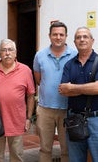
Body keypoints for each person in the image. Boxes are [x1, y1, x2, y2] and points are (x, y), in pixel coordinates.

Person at [0, 38, 35, 162]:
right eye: (4, 50)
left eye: (10, 50)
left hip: (16, 120)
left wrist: (28, 118)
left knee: (17, 155)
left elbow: (31, 95)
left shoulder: (25, 70)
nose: (7, 53)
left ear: (15, 53)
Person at [33, 21, 77, 162]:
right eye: (55, 34)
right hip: (45, 109)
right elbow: (39, 79)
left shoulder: (75, 55)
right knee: (45, 148)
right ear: (49, 36)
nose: (58, 37)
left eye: (61, 34)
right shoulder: (40, 55)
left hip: (68, 109)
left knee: (67, 148)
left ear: (66, 36)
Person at [59, 26, 98, 162]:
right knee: (76, 159)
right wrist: (88, 88)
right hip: (74, 119)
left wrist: (73, 88)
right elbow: (63, 90)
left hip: (95, 120)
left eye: (85, 36)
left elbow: (97, 88)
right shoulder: (69, 65)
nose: (82, 39)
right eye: (78, 37)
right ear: (74, 42)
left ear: (92, 40)